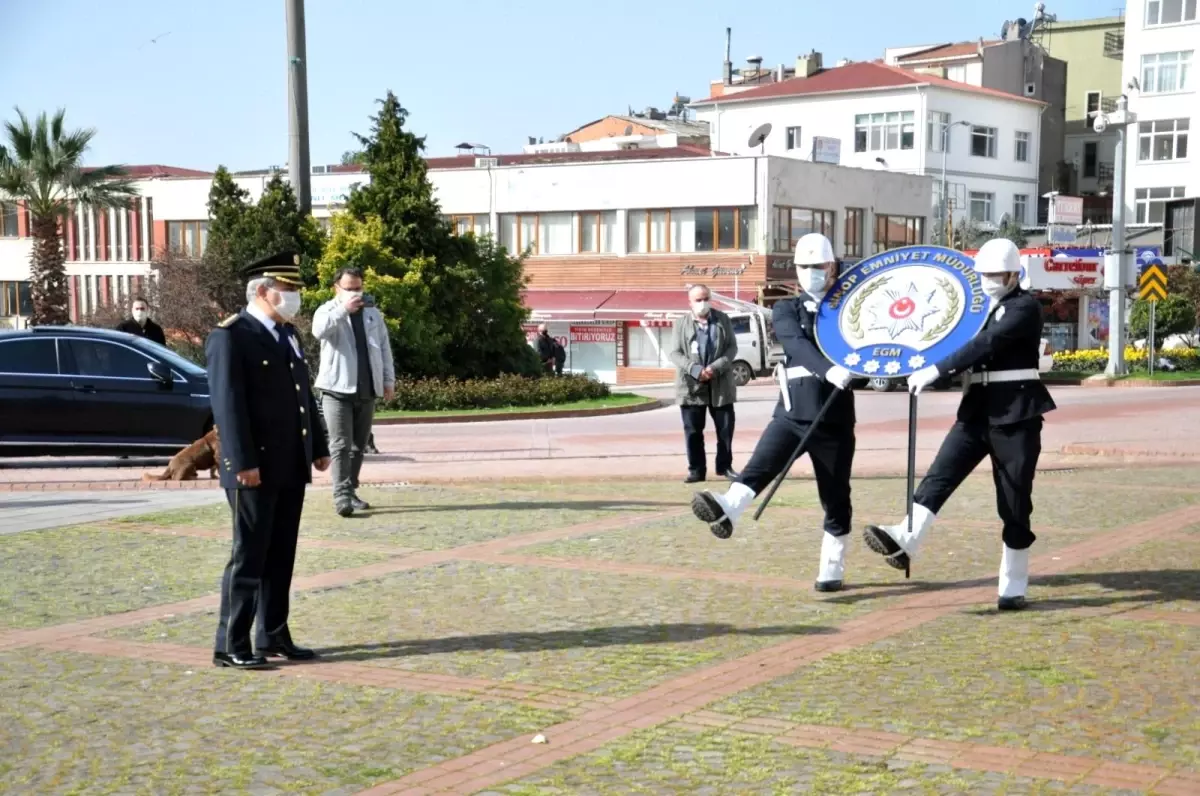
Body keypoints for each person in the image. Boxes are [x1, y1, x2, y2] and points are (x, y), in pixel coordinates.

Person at [862, 237, 1057, 611]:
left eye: (996, 275)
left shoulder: (1025, 307)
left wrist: (937, 369)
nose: (988, 281)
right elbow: (945, 335)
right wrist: (913, 358)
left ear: (1014, 274)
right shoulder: (977, 309)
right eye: (983, 274)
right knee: (939, 476)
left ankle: (1013, 584)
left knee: (1014, 498)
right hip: (976, 411)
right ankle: (906, 539)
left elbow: (986, 344)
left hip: (1015, 413)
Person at [690, 234, 856, 591]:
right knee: (760, 465)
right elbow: (795, 343)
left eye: (819, 266)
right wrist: (828, 369)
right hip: (794, 410)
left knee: (835, 495)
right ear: (797, 271)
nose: (812, 273)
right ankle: (727, 508)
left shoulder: (848, 309)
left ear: (832, 268)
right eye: (806, 267)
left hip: (834, 416)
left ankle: (832, 567)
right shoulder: (786, 309)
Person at [205, 252, 330, 670]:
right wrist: (241, 459)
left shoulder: (286, 334)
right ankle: (231, 643)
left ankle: (273, 634)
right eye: (287, 290)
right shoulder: (232, 336)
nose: (293, 297)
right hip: (252, 466)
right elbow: (228, 405)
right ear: (262, 291)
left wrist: (317, 445)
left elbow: (302, 395)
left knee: (281, 554)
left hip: (288, 463)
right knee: (249, 555)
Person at [312, 267, 396, 517]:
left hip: (366, 388)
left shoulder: (372, 314)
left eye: (358, 287)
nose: (355, 293)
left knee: (359, 445)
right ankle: (341, 497)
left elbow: (383, 348)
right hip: (336, 389)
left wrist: (387, 380)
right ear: (337, 288)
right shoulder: (327, 310)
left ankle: (351, 490)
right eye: (349, 288)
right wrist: (343, 310)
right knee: (339, 444)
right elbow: (319, 331)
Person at [667, 284, 740, 484]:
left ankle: (725, 466)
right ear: (690, 302)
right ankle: (696, 470)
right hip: (691, 386)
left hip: (720, 384)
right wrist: (695, 370)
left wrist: (715, 367)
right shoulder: (680, 324)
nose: (702, 303)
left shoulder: (722, 320)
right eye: (698, 300)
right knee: (693, 431)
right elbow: (675, 353)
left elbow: (732, 347)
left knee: (725, 429)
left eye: (705, 298)